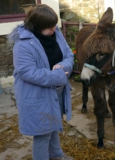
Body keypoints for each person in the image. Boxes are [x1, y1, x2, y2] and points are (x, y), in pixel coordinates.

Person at [8, 4, 74, 160]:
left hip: (56, 91)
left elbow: (69, 55)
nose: (53, 30)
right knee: (42, 134)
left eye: (54, 26)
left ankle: (56, 155)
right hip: (37, 95)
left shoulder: (55, 34)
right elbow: (27, 72)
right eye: (49, 27)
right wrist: (59, 74)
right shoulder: (23, 43)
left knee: (53, 126)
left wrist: (64, 66)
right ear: (37, 26)